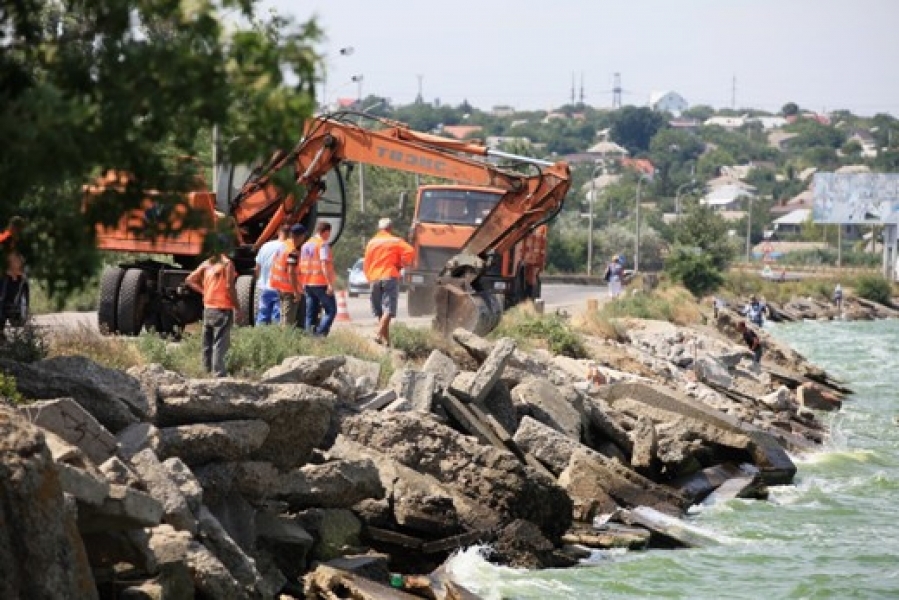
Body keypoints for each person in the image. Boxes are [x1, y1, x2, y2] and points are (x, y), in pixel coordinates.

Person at [185, 236, 239, 377]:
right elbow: (229, 286)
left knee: (207, 341)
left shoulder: (207, 263)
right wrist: (237, 306)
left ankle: (205, 370)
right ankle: (218, 373)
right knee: (220, 341)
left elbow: (189, 279)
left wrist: (205, 291)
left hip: (208, 307)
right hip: (222, 307)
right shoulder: (227, 264)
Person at [364, 217, 414, 346]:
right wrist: (402, 264)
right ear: (390, 228)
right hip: (389, 276)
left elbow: (366, 263)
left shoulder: (371, 243)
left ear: (379, 229)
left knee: (380, 311)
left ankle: (386, 341)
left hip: (374, 277)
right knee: (389, 309)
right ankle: (378, 333)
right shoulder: (395, 241)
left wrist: (368, 277)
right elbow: (410, 251)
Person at [299, 221, 337, 337]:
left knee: (311, 313)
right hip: (320, 283)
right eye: (328, 233)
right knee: (331, 310)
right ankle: (320, 335)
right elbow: (324, 264)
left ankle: (309, 337)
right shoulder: (322, 244)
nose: (328, 236)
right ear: (325, 232)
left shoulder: (306, 245)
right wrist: (329, 284)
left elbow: (301, 264)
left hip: (307, 283)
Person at [269, 223, 307, 327]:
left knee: (283, 318)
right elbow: (291, 272)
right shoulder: (293, 251)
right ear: (301, 236)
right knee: (288, 322)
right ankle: (285, 342)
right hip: (289, 290)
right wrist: (296, 291)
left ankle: (283, 340)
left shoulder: (284, 245)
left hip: (280, 287)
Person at [253, 223, 290, 325]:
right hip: (280, 289)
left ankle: (258, 338)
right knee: (278, 318)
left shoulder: (265, 246)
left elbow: (257, 268)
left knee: (262, 315)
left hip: (265, 287)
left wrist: (260, 281)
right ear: (290, 234)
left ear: (278, 232)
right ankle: (275, 339)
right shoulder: (288, 248)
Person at [0, 216, 26, 335]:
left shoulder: (10, 239)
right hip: (4, 275)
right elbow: (6, 257)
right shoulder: (6, 239)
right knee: (3, 302)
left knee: (7, 303)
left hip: (9, 274)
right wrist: (9, 271)